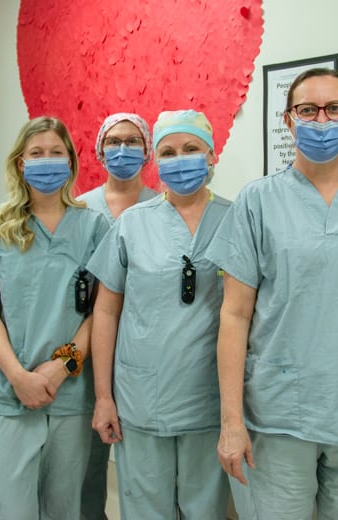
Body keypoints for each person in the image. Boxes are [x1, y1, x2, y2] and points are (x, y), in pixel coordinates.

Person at [207, 68, 338, 519]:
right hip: (279, 418)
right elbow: (235, 316)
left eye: (334, 108)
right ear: (289, 120)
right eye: (308, 110)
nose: (322, 120)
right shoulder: (257, 202)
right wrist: (231, 421)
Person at [0, 116, 109, 519]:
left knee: (64, 506)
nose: (47, 161)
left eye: (56, 153)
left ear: (71, 162)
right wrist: (19, 377)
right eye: (36, 153)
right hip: (7, 391)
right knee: (11, 508)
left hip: (69, 391)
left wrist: (61, 367)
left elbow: (102, 311)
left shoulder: (94, 225)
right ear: (20, 163)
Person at [90, 109, 231, 519]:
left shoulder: (238, 218)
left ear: (211, 155)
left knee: (204, 510)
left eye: (191, 149)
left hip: (210, 399)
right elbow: (105, 313)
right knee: (145, 510)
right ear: (157, 160)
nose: (179, 158)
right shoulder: (131, 224)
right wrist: (103, 397)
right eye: (168, 151)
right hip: (141, 399)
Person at [78, 112, 156, 520]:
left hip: (143, 353)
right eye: (113, 142)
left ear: (147, 151)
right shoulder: (80, 208)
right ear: (99, 150)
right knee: (86, 462)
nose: (122, 150)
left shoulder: (161, 208)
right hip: (83, 347)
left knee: (143, 468)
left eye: (131, 141)